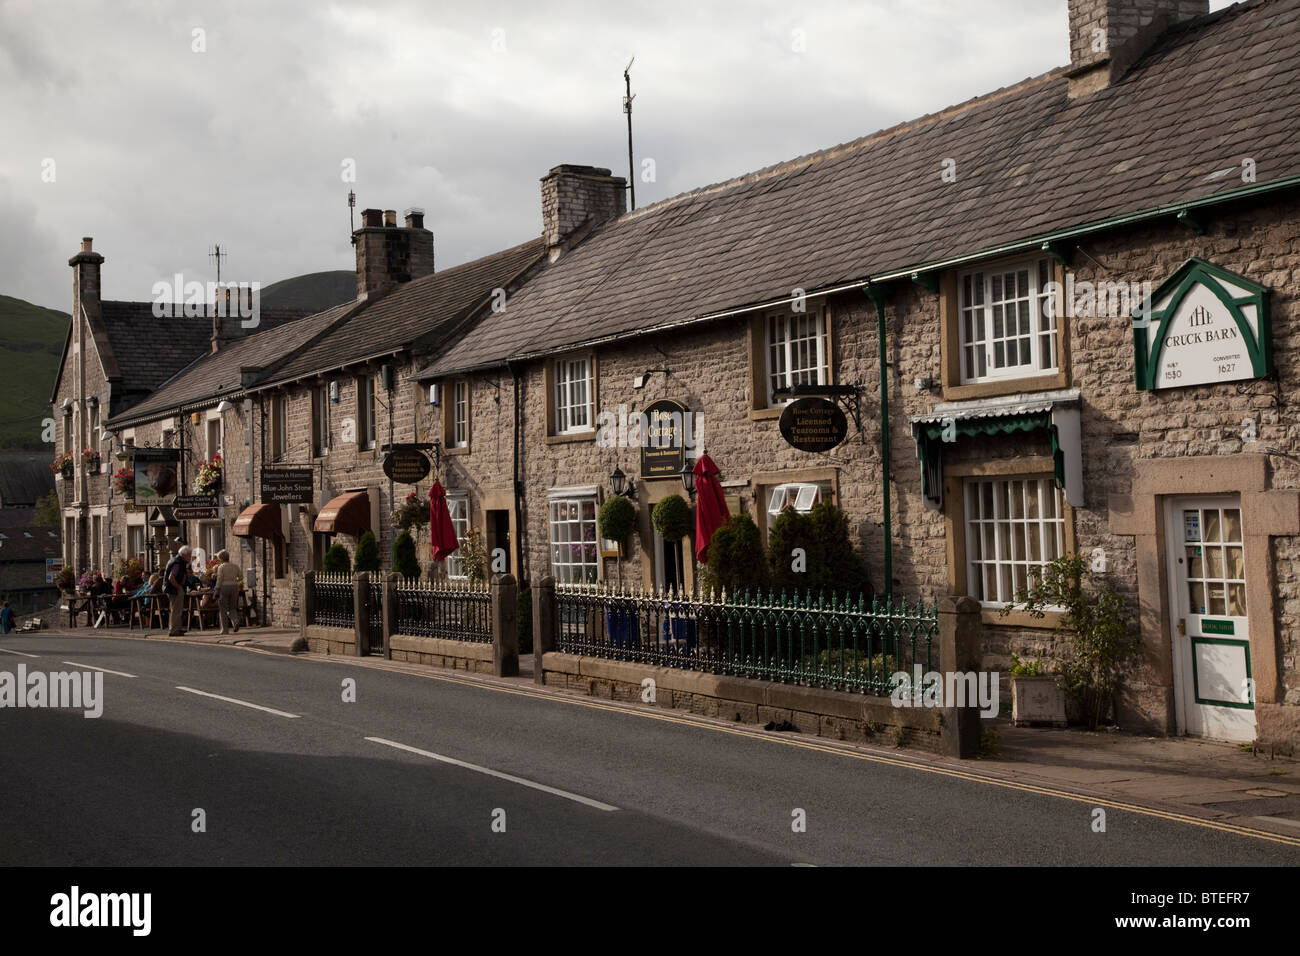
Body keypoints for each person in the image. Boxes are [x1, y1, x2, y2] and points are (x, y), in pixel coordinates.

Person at [214, 549, 243, 635]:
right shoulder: (235, 566)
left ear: (221, 559)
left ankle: (224, 630)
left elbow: (219, 580)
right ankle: (235, 620)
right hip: (234, 587)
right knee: (232, 607)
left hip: (224, 587)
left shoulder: (221, 567)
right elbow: (241, 577)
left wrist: (216, 590)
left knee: (223, 609)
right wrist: (237, 583)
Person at [164, 545, 191, 636]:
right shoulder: (177, 563)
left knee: (176, 610)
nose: (190, 557)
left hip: (172, 588)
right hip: (174, 589)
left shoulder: (177, 561)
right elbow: (171, 577)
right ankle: (174, 630)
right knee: (176, 610)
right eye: (189, 555)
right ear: (184, 555)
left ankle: (176, 628)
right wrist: (179, 587)